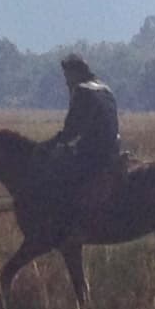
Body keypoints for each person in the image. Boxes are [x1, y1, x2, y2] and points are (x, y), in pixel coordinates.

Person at [33, 53, 126, 230]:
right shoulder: (105, 88)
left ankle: (65, 222)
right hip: (113, 148)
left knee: (55, 175)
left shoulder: (82, 90)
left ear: (74, 72)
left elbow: (70, 131)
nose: (66, 81)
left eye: (67, 76)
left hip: (93, 153)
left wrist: (48, 146)